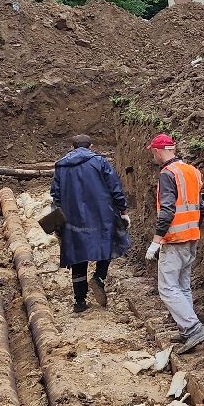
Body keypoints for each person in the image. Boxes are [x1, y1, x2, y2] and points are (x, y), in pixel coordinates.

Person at [145, 133, 204, 351]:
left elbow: (167, 210)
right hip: (191, 235)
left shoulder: (167, 174)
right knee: (182, 286)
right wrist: (194, 228)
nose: (153, 156)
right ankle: (186, 329)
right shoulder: (192, 171)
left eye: (153, 152)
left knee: (167, 288)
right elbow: (203, 207)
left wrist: (156, 241)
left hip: (175, 238)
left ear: (157, 151)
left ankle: (193, 329)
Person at [51, 134, 129, 313]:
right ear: (91, 147)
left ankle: (79, 301)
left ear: (72, 148)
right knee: (107, 243)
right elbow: (115, 188)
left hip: (72, 217)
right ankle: (99, 277)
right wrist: (123, 210)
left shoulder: (61, 166)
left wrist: (57, 220)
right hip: (101, 214)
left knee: (77, 254)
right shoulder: (100, 162)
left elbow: (55, 195)